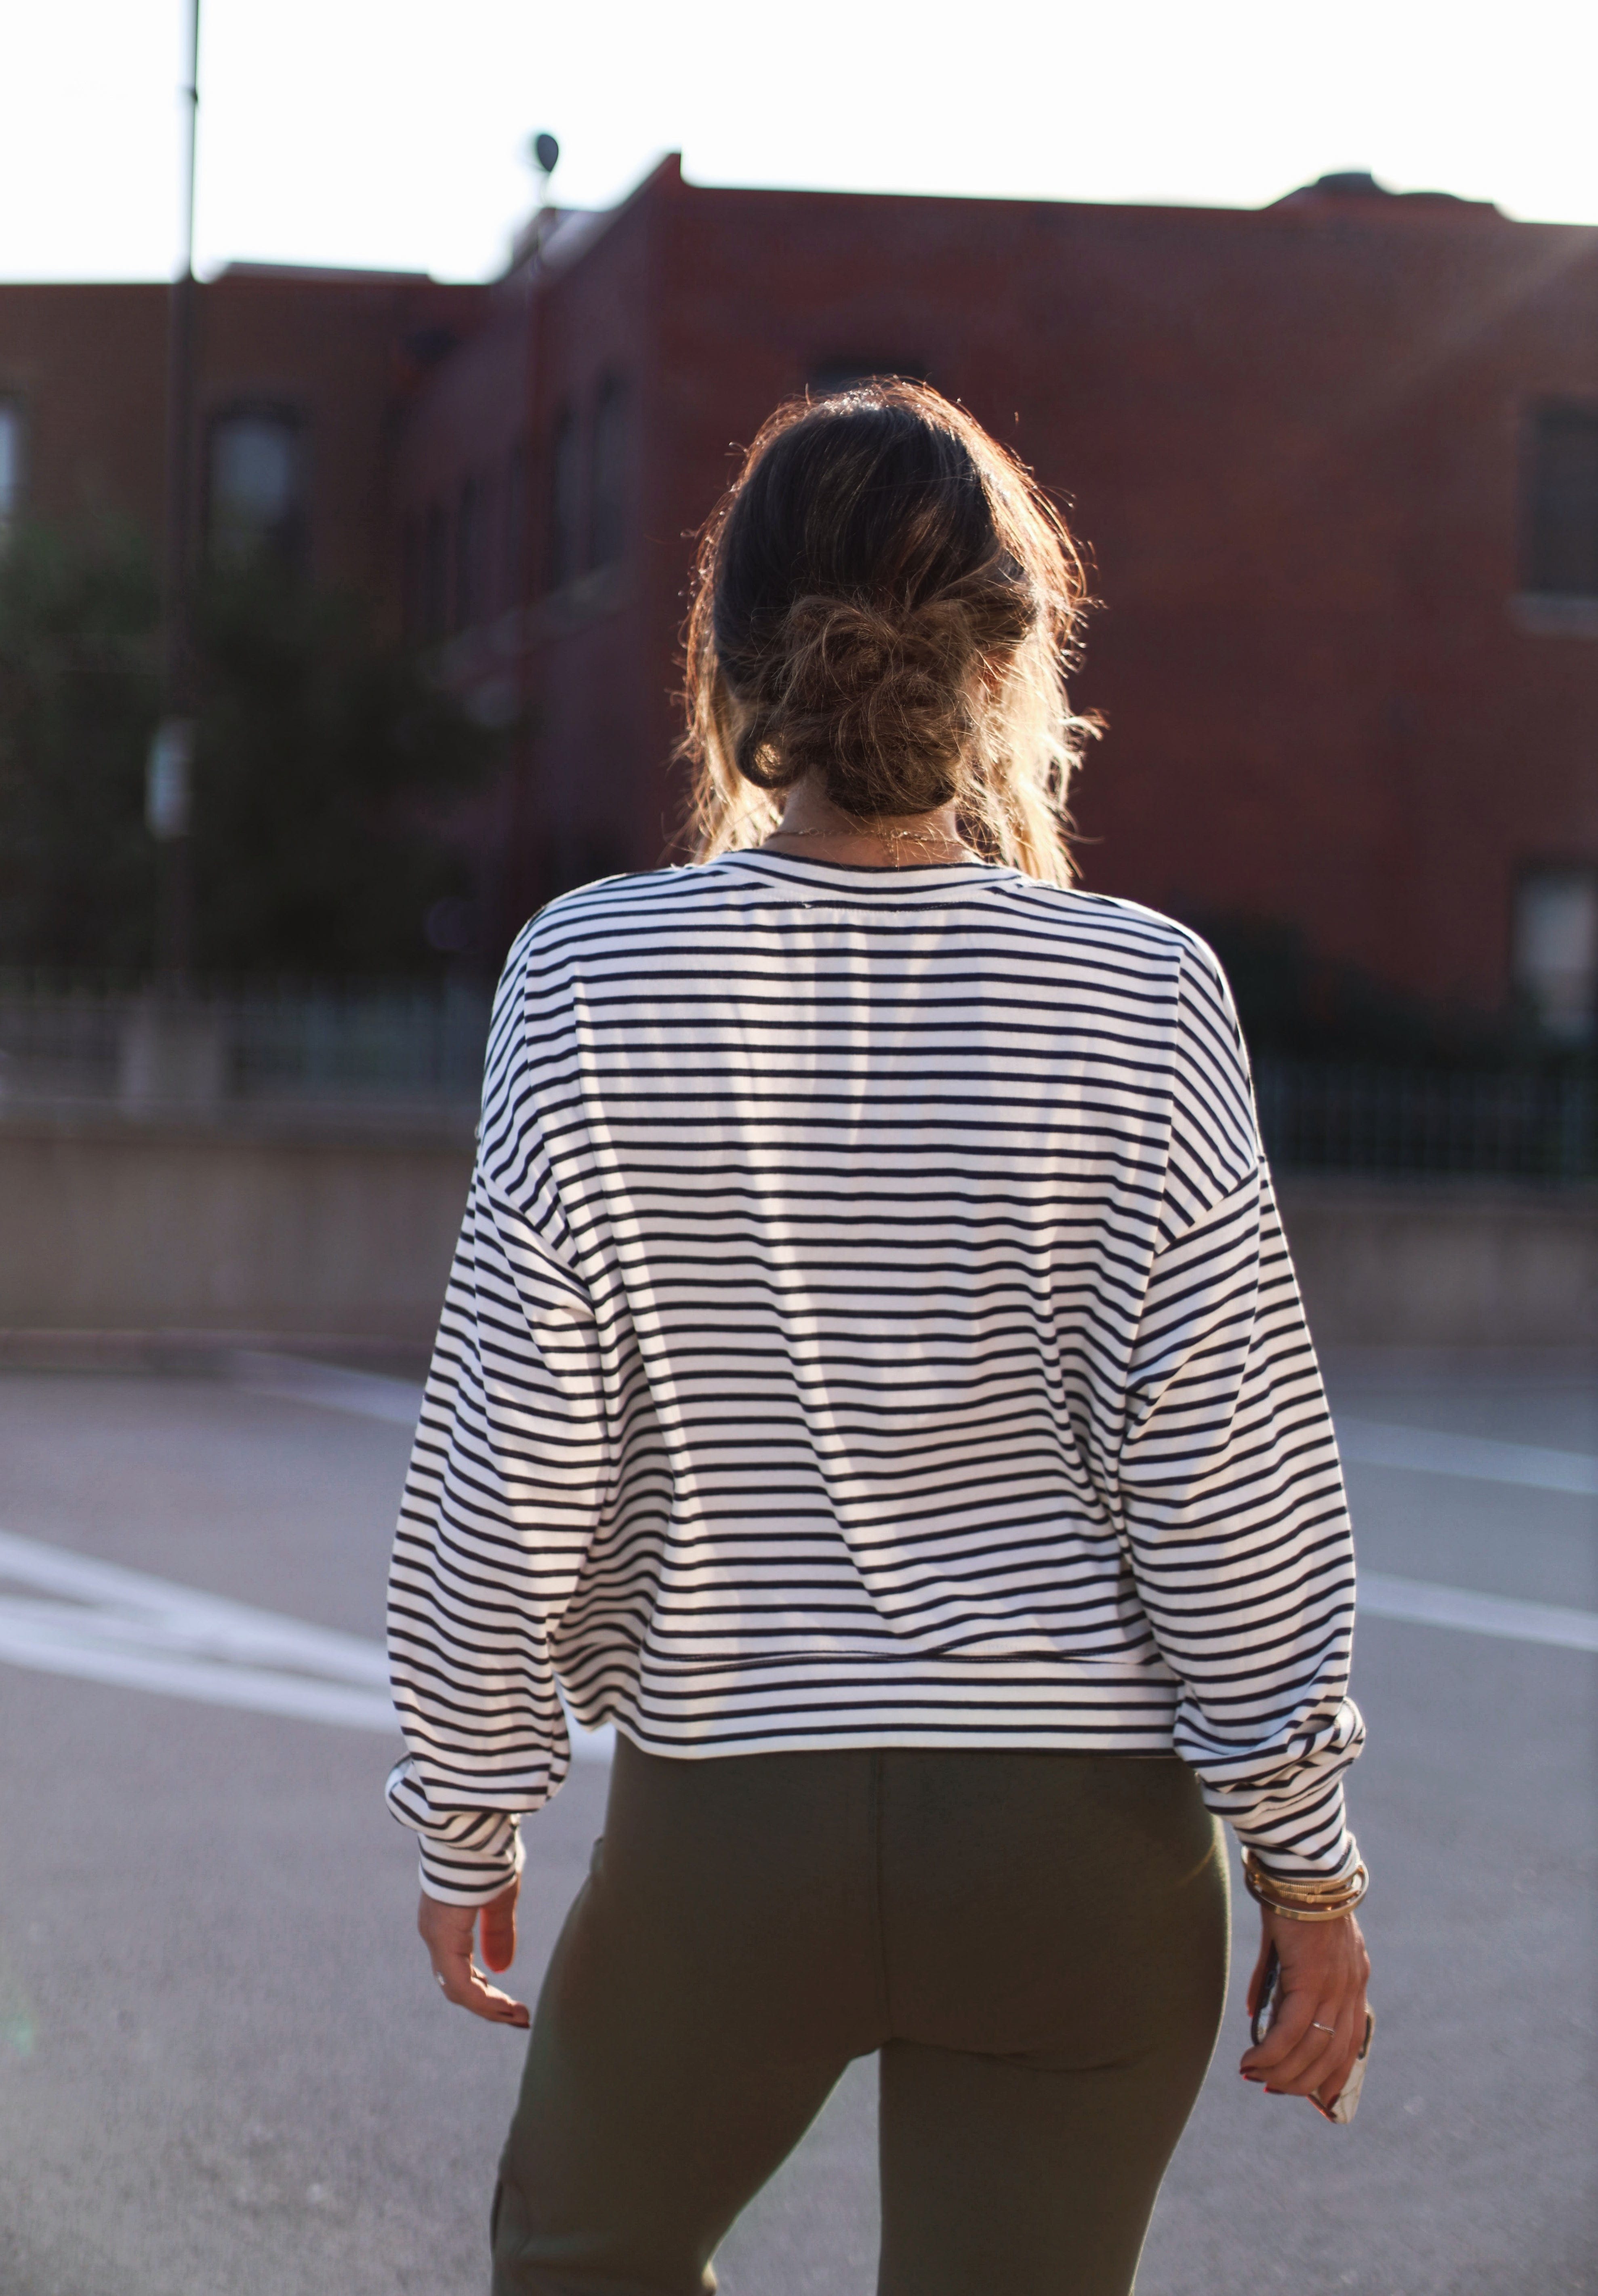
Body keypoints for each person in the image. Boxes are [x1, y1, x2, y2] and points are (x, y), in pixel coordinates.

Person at [385, 380, 1371, 2296]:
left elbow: (513, 1459)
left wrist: (466, 1801)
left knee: (576, 2260)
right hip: (1078, 1850)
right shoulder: (1146, 994)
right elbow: (1228, 1478)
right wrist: (1307, 1865)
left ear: (730, 652)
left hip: (722, 1834)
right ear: (1013, 653)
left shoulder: (588, 972)